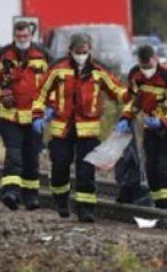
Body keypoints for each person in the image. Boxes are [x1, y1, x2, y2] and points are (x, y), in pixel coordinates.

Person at [32, 33, 130, 222]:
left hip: (88, 129)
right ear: (71, 51)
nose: (81, 55)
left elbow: (118, 91)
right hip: (62, 128)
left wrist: (134, 100)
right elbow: (40, 94)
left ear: (89, 51)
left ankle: (86, 209)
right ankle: (61, 199)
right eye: (78, 52)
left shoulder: (98, 71)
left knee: (86, 171)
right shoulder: (58, 70)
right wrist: (37, 115)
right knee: (60, 166)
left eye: (84, 52)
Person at [116, 45, 167, 210]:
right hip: (151, 123)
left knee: (166, 165)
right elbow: (134, 100)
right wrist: (126, 118)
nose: (146, 70)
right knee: (152, 166)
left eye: (149, 67)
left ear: (155, 60)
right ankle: (160, 204)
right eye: (143, 66)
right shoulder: (136, 75)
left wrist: (163, 122)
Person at [0, 21, 50, 210]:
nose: (22, 40)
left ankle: (30, 196)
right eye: (19, 37)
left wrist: (51, 109)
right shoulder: (3, 56)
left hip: (34, 118)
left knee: (31, 157)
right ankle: (11, 192)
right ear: (14, 36)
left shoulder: (43, 56)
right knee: (14, 155)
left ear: (31, 36)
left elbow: (54, 84)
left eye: (25, 36)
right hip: (10, 117)